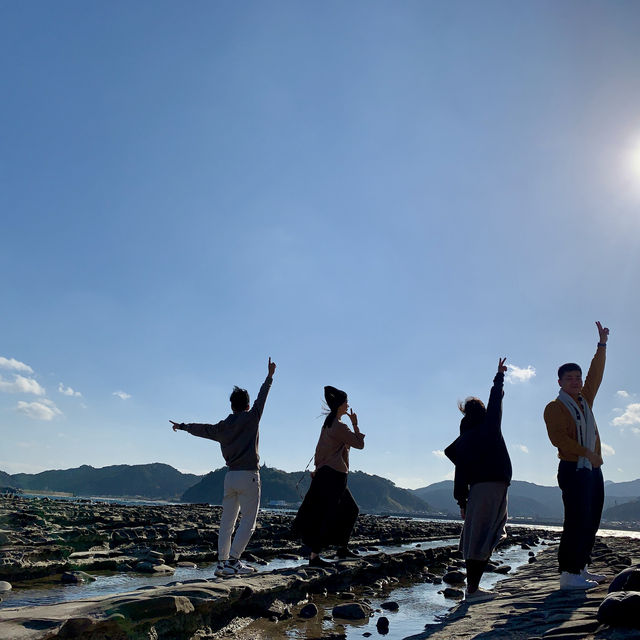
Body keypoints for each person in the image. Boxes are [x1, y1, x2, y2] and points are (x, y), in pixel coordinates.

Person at [170, 357, 276, 577]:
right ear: (246, 406)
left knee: (227, 522)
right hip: (249, 476)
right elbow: (261, 399)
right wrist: (269, 377)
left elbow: (202, 429)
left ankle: (221, 564)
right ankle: (234, 561)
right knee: (249, 521)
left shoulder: (222, 426)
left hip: (230, 477)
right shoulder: (252, 417)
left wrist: (182, 426)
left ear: (231, 406)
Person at [544, 321, 609, 590]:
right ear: (559, 382)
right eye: (569, 378)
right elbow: (558, 439)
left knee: (591, 518)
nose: (576, 381)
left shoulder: (585, 400)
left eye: (577, 377)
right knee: (575, 520)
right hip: (573, 469)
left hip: (593, 469)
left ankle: (581, 567)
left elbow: (596, 374)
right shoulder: (554, 407)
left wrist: (602, 345)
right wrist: (587, 453)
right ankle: (568, 575)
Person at [444, 357, 512, 603]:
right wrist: (499, 377)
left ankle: (472, 588)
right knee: (485, 536)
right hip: (492, 488)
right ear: (482, 412)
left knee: (478, 536)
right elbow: (496, 402)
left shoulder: (465, 438)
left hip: (478, 491)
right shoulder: (488, 427)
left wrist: (461, 501)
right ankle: (472, 591)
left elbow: (459, 470)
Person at [292, 385, 365, 567]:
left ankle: (341, 548)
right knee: (328, 513)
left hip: (329, 474)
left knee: (349, 509)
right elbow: (359, 444)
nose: (348, 405)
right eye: (346, 402)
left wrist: (318, 469)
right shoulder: (339, 426)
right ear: (340, 404)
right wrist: (356, 423)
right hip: (334, 476)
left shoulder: (328, 423)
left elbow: (320, 450)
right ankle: (315, 557)